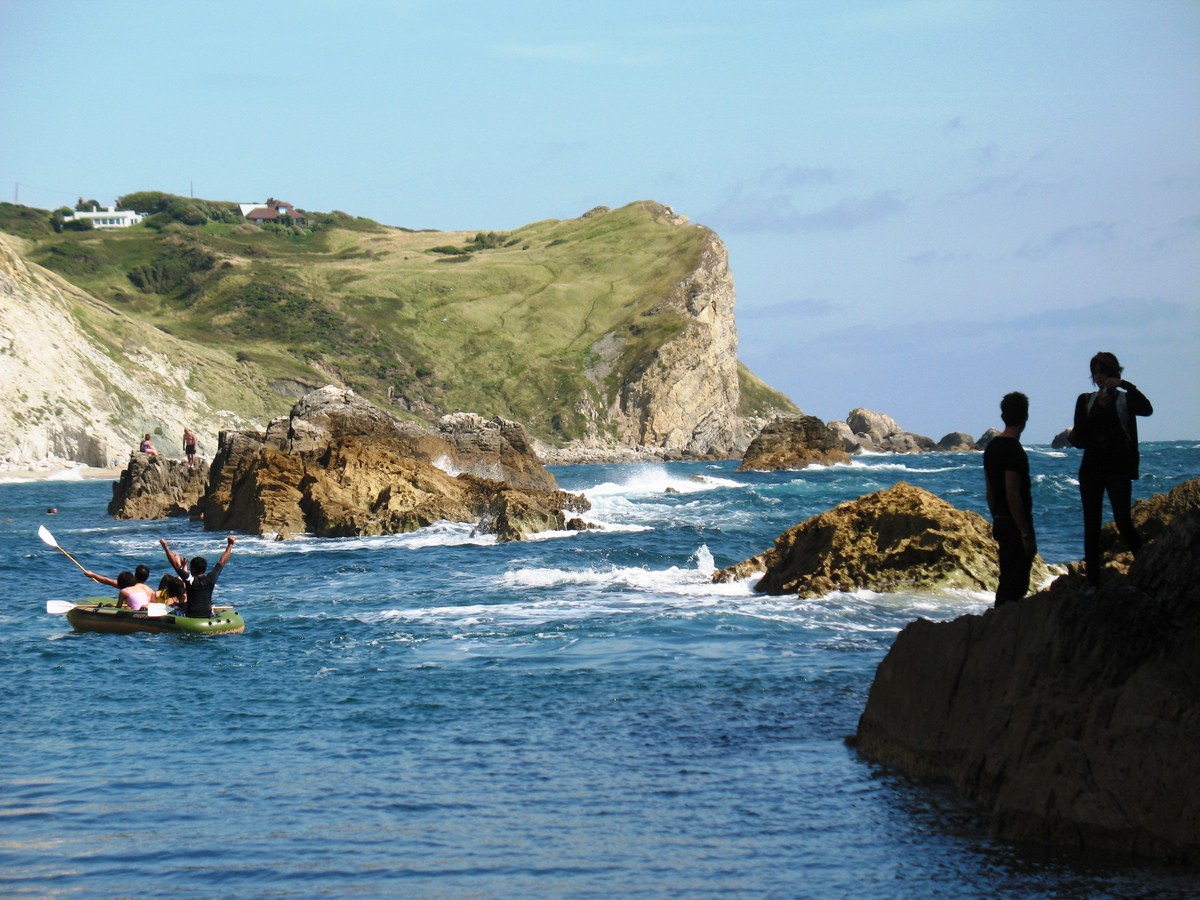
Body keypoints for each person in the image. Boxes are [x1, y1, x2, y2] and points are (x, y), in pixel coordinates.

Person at [1068, 351, 1153, 589]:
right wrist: (1098, 409)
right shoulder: (1086, 400)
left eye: (1103, 372)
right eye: (1095, 373)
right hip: (1091, 468)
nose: (1099, 377)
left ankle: (1146, 569)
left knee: (1123, 521)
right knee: (1091, 525)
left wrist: (1125, 385)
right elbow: (1081, 434)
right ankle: (1093, 584)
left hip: (1118, 468)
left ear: (1114, 373)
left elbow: (1147, 409)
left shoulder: (1125, 399)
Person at [983, 392, 1036, 607]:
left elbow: (990, 491)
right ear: (1025, 417)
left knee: (1006, 578)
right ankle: (1005, 621)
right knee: (1017, 584)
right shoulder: (1014, 451)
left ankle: (997, 620)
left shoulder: (991, 448)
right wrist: (1025, 532)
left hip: (1000, 519)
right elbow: (1012, 493)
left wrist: (996, 516)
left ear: (1003, 416)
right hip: (1015, 524)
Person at [161, 535, 236, 618]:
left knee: (173, 609)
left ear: (193, 569)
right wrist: (230, 544)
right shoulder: (211, 578)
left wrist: (166, 547)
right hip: (208, 614)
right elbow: (222, 562)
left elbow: (176, 565)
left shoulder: (190, 580)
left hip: (191, 616)